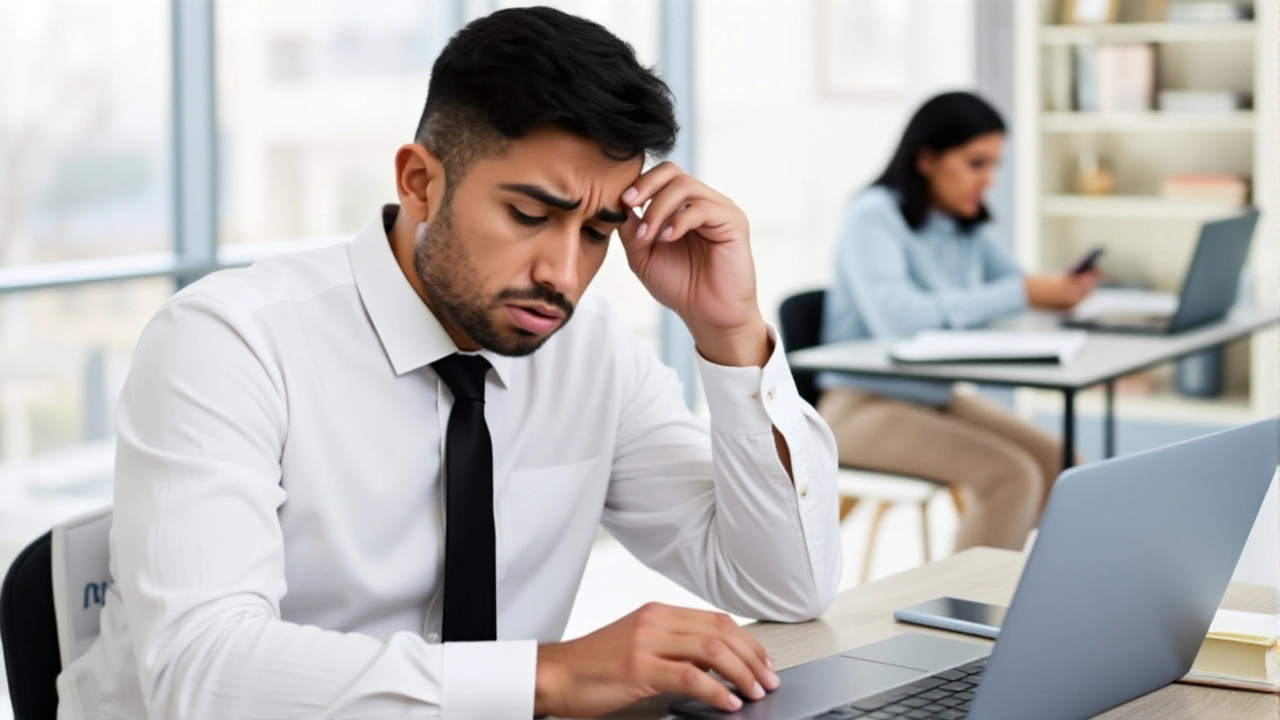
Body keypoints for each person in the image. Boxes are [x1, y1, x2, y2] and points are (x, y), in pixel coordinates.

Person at [56, 9, 842, 719]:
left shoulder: (590, 350)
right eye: (530, 215)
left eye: (598, 231)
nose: (564, 274)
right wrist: (550, 677)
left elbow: (785, 586)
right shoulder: (229, 343)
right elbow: (202, 673)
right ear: (420, 182)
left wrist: (731, 331)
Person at [817, 92, 1096, 553]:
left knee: (1063, 464)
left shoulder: (963, 220)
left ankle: (1034, 595)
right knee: (1010, 477)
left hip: (932, 396)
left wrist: (1057, 291)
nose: (987, 180)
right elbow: (899, 322)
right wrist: (1023, 291)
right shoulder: (872, 217)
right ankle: (968, 616)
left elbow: (1013, 284)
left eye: (994, 166)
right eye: (976, 163)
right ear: (927, 158)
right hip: (859, 405)